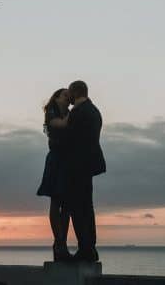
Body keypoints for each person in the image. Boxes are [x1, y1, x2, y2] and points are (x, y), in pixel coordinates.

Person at [63, 79, 105, 263]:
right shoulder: (94, 111)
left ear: (75, 92)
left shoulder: (78, 112)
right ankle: (90, 248)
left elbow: (69, 139)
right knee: (87, 207)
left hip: (77, 166)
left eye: (70, 93)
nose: (69, 97)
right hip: (88, 165)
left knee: (77, 207)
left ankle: (85, 248)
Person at [36, 87, 72, 261]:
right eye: (65, 95)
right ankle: (59, 242)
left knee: (67, 205)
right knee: (56, 201)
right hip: (57, 159)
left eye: (69, 96)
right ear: (56, 98)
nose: (68, 99)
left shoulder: (68, 113)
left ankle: (62, 243)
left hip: (67, 160)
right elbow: (61, 124)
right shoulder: (52, 112)